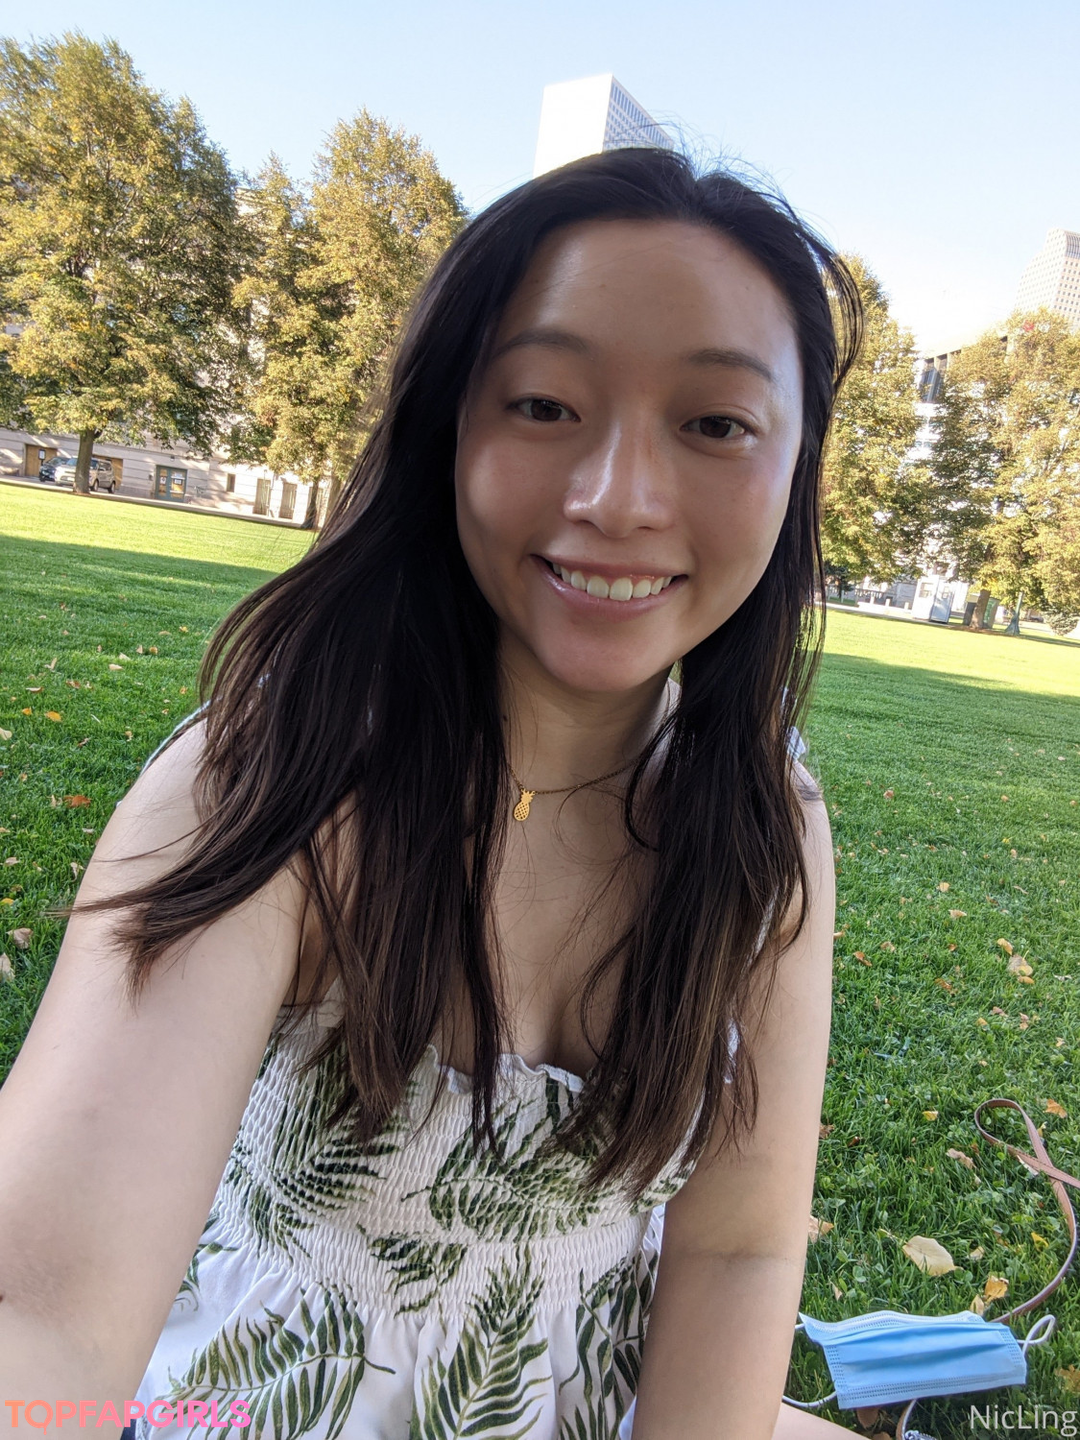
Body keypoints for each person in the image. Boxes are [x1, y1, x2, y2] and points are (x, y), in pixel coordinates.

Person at [0, 146, 862, 1438]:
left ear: (795, 467)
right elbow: (42, 1301)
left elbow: (739, 1249)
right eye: (544, 404)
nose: (619, 498)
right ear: (449, 426)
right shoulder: (278, 778)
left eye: (715, 423)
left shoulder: (764, 821)